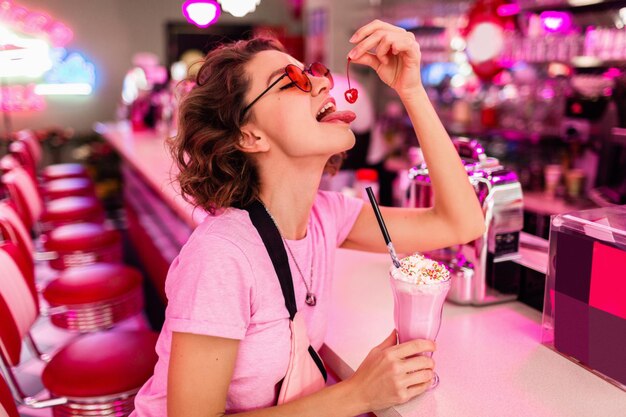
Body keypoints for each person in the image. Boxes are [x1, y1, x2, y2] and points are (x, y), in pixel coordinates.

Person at [131, 20, 485, 417]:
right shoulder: (222, 255)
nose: (321, 85)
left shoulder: (324, 216)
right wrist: (359, 393)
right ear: (249, 136)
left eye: (314, 74)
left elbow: (462, 224)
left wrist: (412, 91)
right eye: (292, 80)